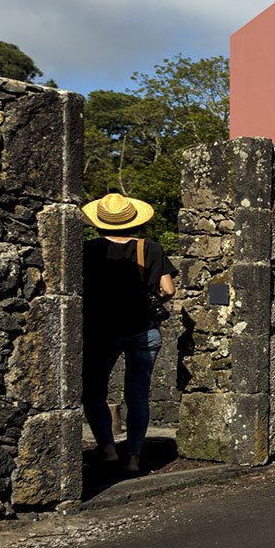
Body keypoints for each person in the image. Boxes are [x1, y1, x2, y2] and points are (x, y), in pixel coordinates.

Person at [81, 192, 177, 475]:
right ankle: (133, 456)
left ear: (100, 222)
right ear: (133, 220)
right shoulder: (150, 248)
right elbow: (169, 290)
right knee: (138, 395)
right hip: (144, 330)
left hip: (102, 331)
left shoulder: (88, 250)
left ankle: (108, 449)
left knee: (93, 390)